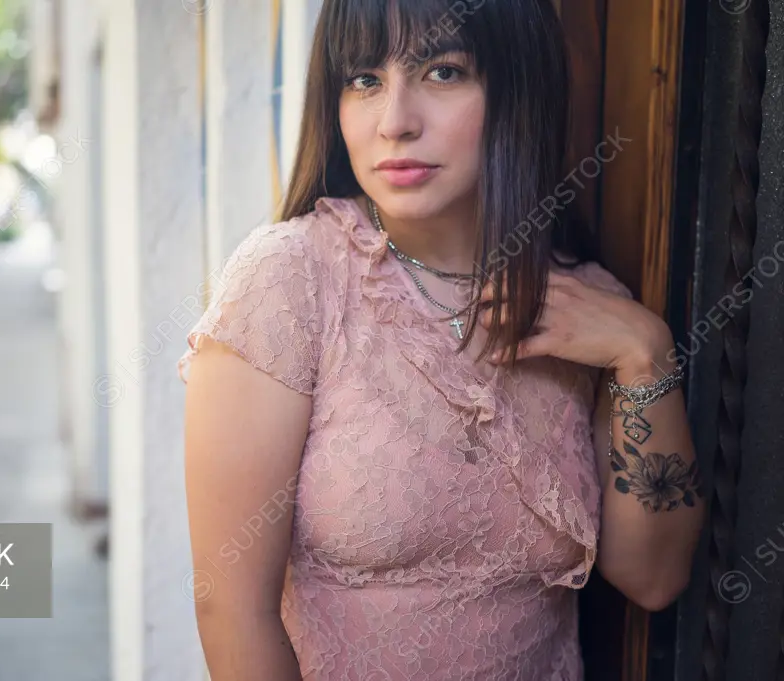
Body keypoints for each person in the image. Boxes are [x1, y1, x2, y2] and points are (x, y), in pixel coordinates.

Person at [178, 1, 705, 679]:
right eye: (364, 79)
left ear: (518, 90)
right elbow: (229, 608)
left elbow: (655, 576)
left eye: (443, 71)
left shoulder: (586, 308)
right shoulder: (290, 281)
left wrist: (645, 353)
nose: (394, 121)